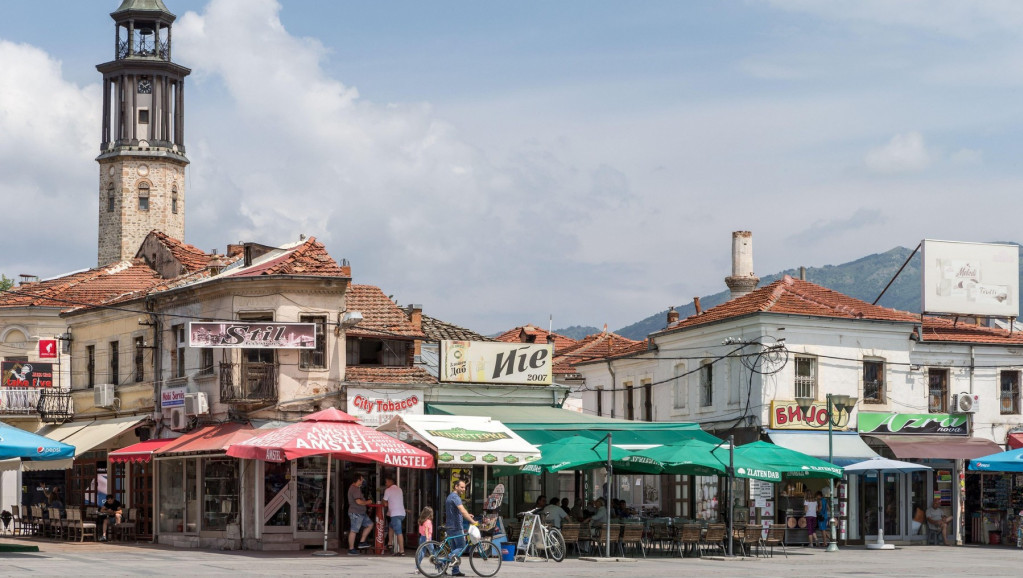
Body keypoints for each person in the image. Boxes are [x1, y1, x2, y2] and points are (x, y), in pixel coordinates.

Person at [445, 479, 476, 578]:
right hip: (456, 526)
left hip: (450, 526)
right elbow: (462, 511)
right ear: (456, 487)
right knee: (462, 547)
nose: (463, 489)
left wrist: (467, 515)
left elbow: (457, 512)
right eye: (461, 487)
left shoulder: (450, 497)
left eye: (464, 487)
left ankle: (455, 571)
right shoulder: (456, 497)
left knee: (455, 549)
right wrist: (473, 522)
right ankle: (447, 559)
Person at [347, 473, 374, 556]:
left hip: (361, 513)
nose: (362, 481)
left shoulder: (356, 488)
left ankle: (362, 542)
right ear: (358, 480)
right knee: (354, 530)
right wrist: (368, 502)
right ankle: (351, 549)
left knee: (370, 524)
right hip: (356, 513)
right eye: (361, 480)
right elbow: (358, 501)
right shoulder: (354, 489)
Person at [382, 475, 405, 556]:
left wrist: (386, 503)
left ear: (391, 481)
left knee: (399, 532)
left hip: (395, 514)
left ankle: (401, 551)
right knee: (391, 527)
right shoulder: (400, 489)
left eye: (386, 481)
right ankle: (389, 543)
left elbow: (384, 502)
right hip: (402, 514)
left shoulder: (388, 490)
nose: (385, 483)